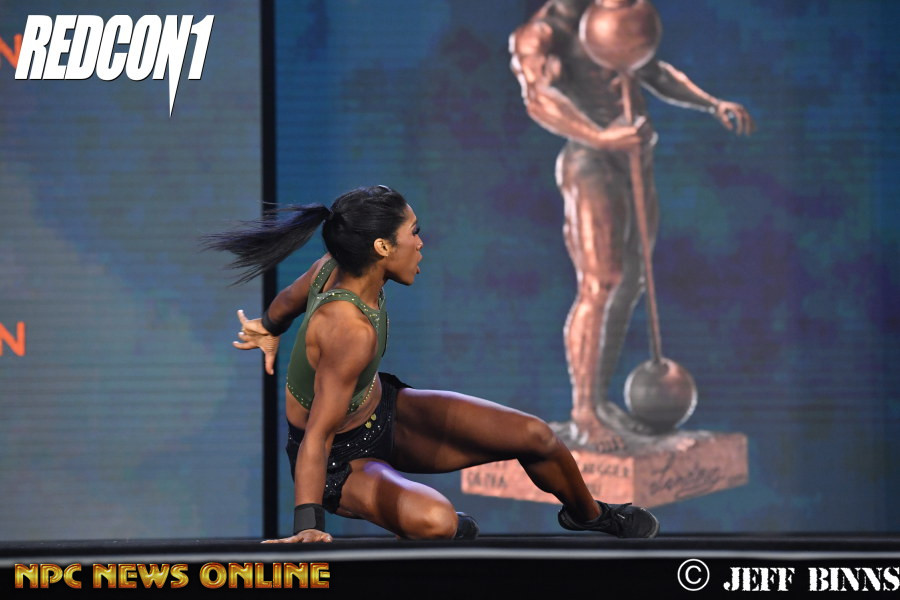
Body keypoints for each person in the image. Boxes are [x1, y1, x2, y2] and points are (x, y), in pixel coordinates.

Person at [205, 185, 659, 542]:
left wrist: (268, 327)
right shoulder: (348, 330)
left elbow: (287, 301)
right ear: (382, 247)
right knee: (438, 522)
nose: (420, 243)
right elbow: (318, 436)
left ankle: (589, 515)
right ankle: (432, 520)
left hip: (385, 414)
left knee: (536, 436)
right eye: (414, 232)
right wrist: (308, 523)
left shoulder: (332, 266)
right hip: (338, 462)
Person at [510, 0, 755, 451]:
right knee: (599, 284)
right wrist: (600, 136)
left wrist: (710, 103)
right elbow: (539, 98)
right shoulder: (541, 34)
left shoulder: (613, 13)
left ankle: (600, 402)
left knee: (631, 282)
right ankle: (584, 415)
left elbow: (650, 68)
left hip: (634, 159)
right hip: (590, 163)